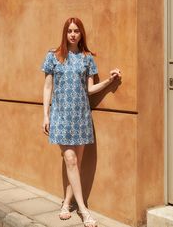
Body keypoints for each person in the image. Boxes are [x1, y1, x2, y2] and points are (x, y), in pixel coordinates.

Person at [41, 17, 121, 227]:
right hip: (60, 116)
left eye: (77, 31)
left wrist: (109, 81)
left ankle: (66, 203)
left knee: (74, 163)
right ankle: (83, 209)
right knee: (70, 160)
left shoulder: (87, 58)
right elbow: (48, 87)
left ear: (81, 33)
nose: (73, 34)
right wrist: (45, 115)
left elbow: (89, 89)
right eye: (70, 31)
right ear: (65, 33)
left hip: (82, 117)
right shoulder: (53, 56)